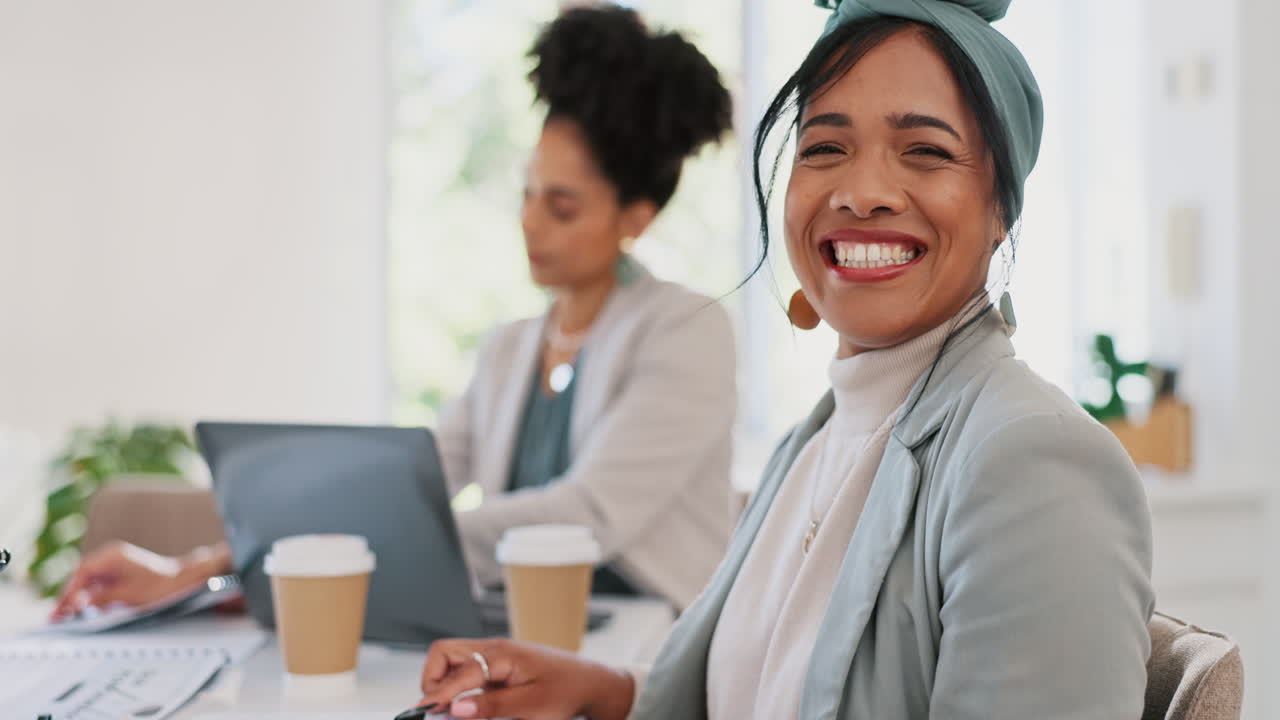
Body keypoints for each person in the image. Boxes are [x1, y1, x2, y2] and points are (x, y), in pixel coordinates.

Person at [408, 1, 1155, 719]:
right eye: (824, 147)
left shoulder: (1031, 459)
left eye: (925, 151)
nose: (861, 193)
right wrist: (597, 691)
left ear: (1001, 209)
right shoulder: (816, 441)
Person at [50, 4, 737, 620]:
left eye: (561, 207)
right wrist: (204, 561)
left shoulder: (686, 330)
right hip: (518, 626)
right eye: (526, 194)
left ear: (636, 218)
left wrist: (254, 558)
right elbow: (411, 483)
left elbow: (584, 516)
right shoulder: (509, 349)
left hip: (648, 643)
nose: (529, 222)